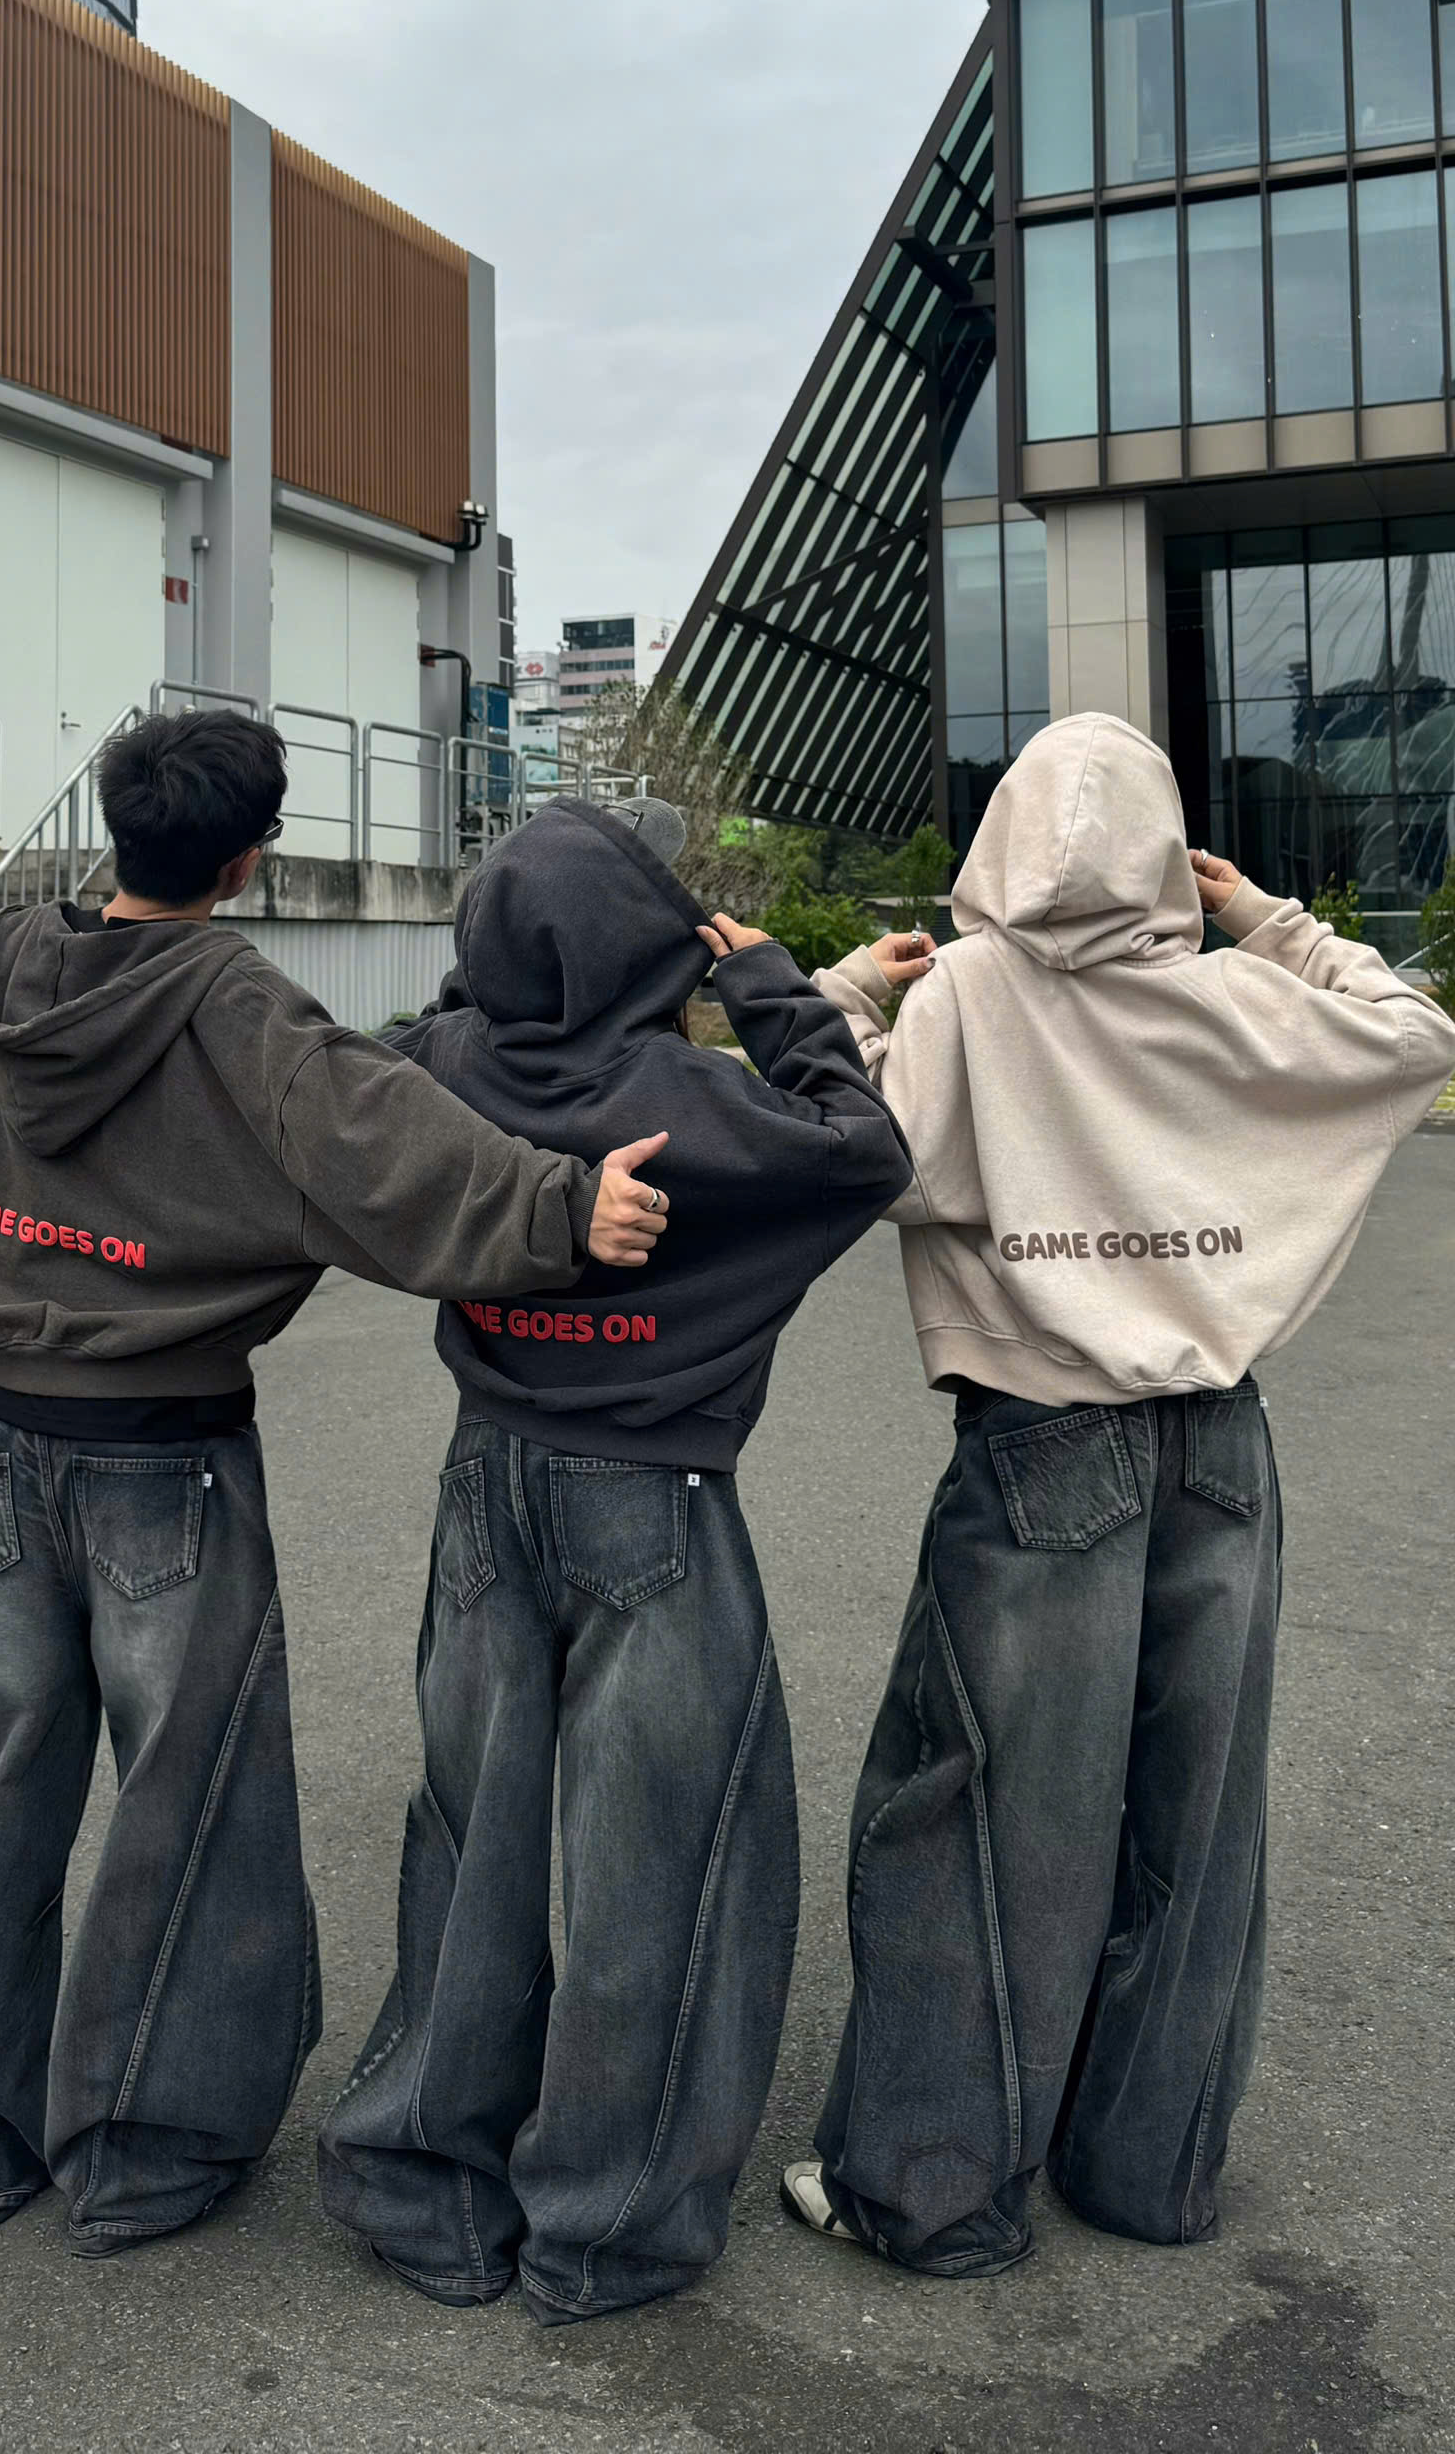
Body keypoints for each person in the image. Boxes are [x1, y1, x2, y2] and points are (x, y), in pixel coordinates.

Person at [0, 709, 674, 2259]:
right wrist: (570, 1211)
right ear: (247, 860)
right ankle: (148, 2155)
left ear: (116, 831)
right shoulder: (243, 1011)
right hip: (169, 1464)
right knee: (195, 1803)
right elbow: (390, 1146)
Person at [780, 710, 1455, 2276]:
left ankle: (931, 2189)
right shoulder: (1238, 998)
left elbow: (862, 1152)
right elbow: (1413, 1036)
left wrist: (840, 998)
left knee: (982, 1810)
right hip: (1222, 1440)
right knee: (1199, 1814)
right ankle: (1150, 2169)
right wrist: (1265, 920)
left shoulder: (970, 997)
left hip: (1042, 1438)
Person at [316, 792, 930, 2325]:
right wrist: (772, 986)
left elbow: (386, 1075)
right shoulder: (692, 1097)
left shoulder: (446, 1068)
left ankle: (422, 2180)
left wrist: (499, 987)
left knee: (472, 1841)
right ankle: (607, 2224)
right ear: (652, 944)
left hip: (486, 1482)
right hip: (654, 1495)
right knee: (663, 1865)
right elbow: (864, 1149)